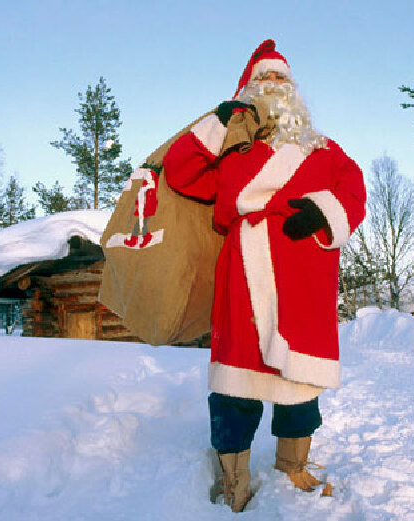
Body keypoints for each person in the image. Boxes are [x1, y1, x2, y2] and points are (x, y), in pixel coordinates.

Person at [163, 39, 366, 512]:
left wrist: (324, 213)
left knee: (299, 379)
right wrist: (219, 121)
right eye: (265, 79)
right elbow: (180, 170)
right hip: (245, 270)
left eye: (281, 79)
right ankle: (232, 477)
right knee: (237, 378)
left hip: (305, 270)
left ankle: (292, 467)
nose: (275, 86)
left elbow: (352, 188)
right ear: (247, 91)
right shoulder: (233, 151)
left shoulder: (325, 149)